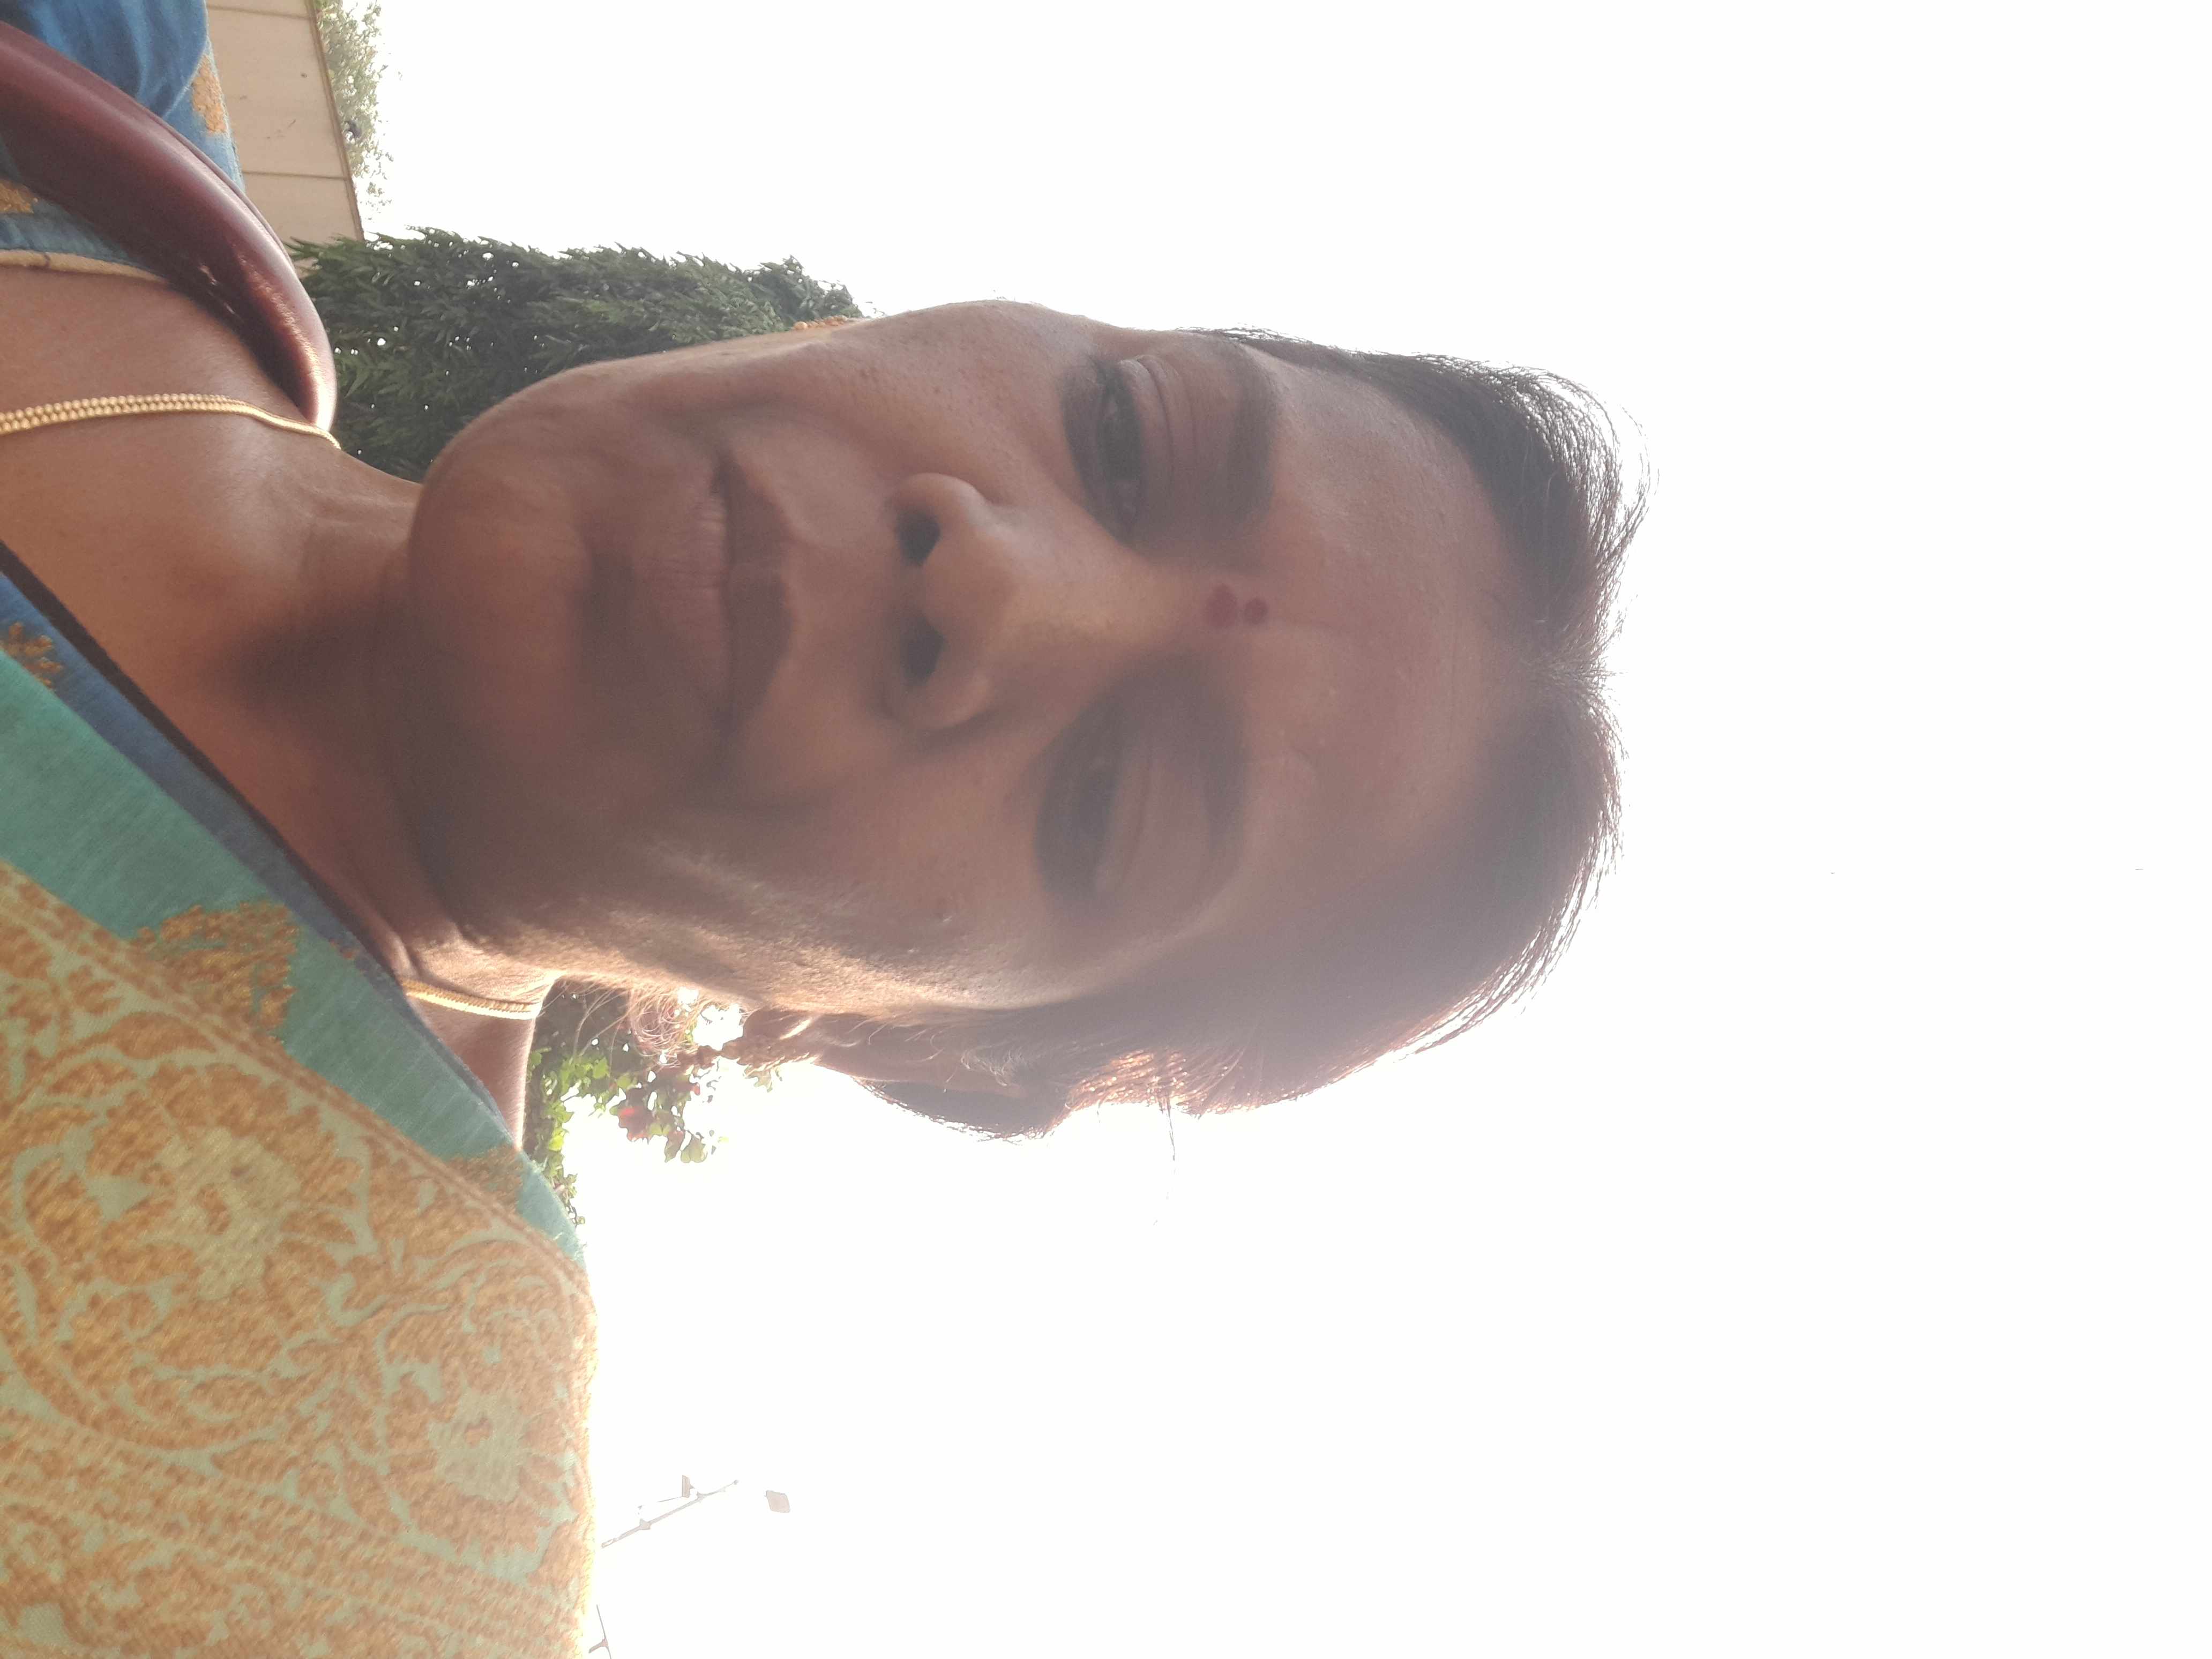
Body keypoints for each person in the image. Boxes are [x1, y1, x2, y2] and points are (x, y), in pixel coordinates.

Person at [0, 1, 1640, 1651]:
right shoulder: (90, 92)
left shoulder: (338, 1532)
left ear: (927, 1045)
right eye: (1122, 439)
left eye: (1110, 804)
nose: (995, 580)